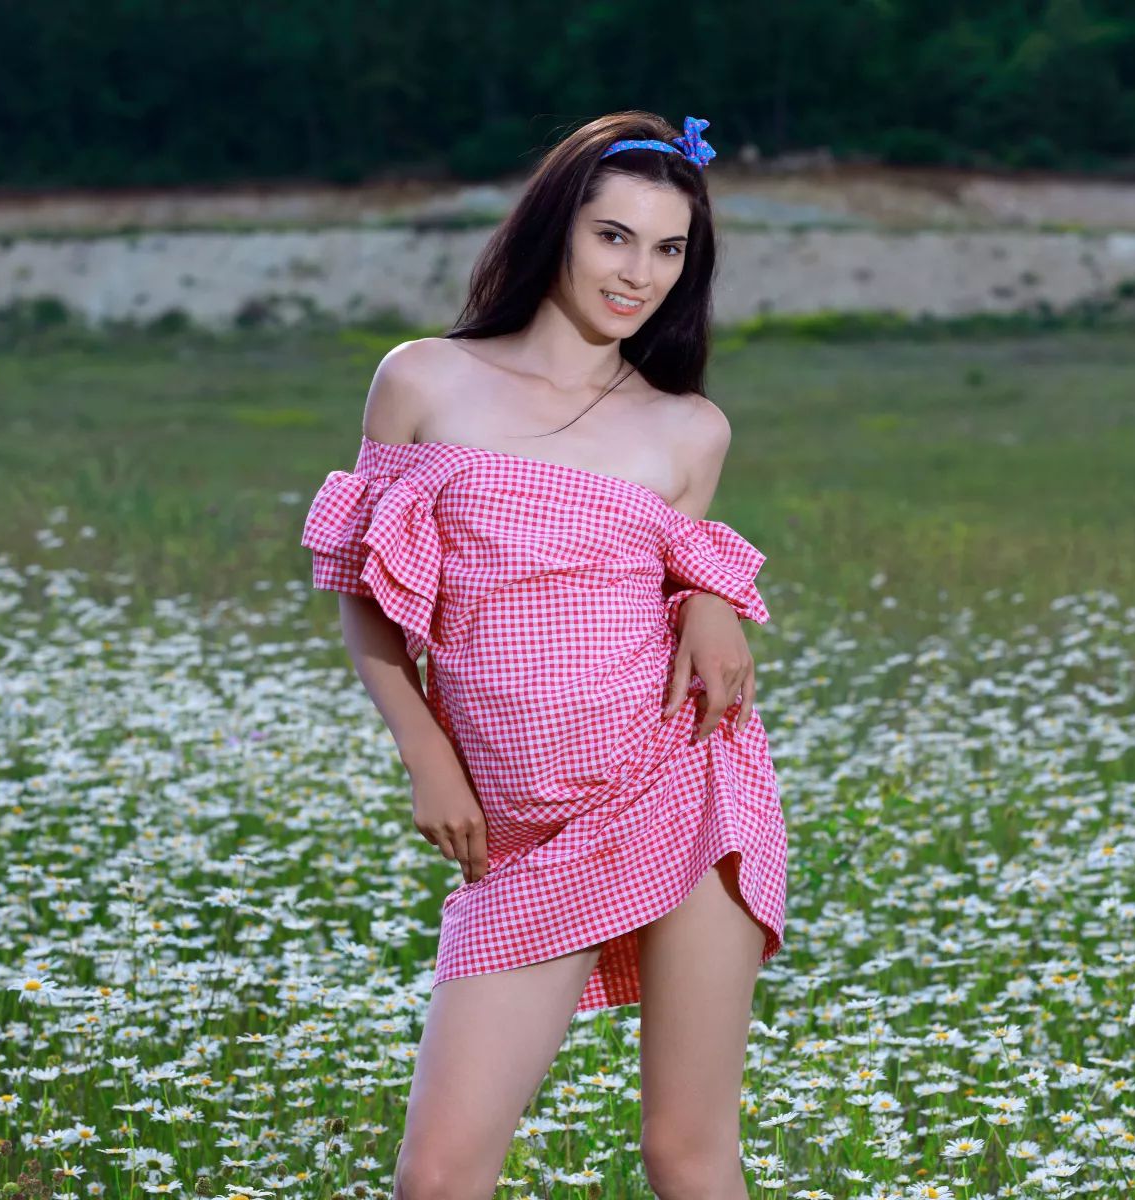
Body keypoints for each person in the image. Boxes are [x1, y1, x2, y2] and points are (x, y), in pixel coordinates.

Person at [300, 111, 787, 1200]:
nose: (639, 274)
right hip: (523, 830)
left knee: (687, 1153)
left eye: (668, 250)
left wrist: (711, 598)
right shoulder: (425, 381)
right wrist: (428, 760)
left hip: (680, 781)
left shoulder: (689, 428)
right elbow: (364, 593)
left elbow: (677, 564)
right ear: (555, 227)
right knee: (438, 1175)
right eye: (614, 237)